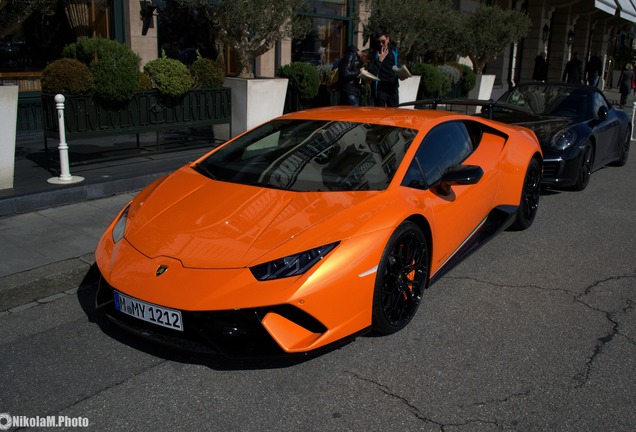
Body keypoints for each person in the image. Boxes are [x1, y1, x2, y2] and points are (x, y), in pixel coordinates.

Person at [371, 29, 400, 107]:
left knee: (394, 113)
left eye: (383, 41)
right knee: (380, 113)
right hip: (380, 87)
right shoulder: (375, 53)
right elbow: (372, 72)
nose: (381, 44)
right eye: (378, 42)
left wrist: (401, 75)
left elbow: (398, 67)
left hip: (393, 86)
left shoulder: (394, 51)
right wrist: (380, 60)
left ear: (388, 39)